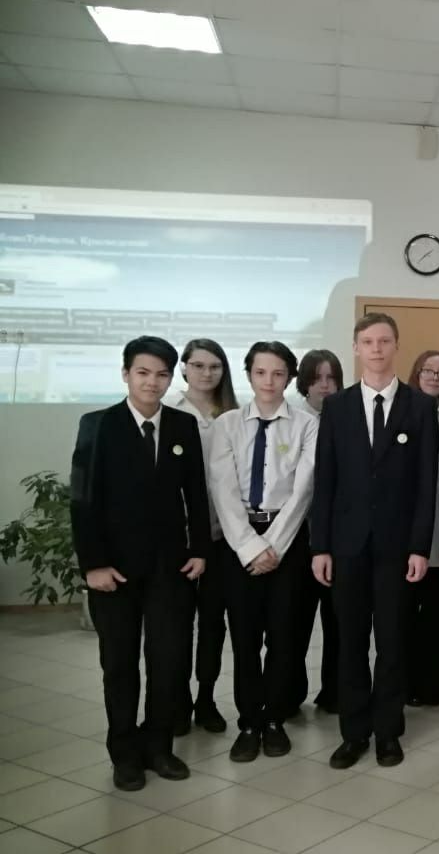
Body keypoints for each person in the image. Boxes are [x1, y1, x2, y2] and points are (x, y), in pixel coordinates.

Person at [70, 336, 210, 791]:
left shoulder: (183, 426)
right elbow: (83, 500)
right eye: (143, 373)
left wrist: (200, 550)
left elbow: (196, 493)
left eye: (162, 374)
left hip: (170, 568)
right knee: (120, 665)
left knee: (168, 662)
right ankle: (124, 754)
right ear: (126, 374)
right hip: (114, 570)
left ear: (172, 378)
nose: (152, 382)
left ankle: (159, 747)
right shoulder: (99, 425)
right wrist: (93, 564)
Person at [311, 313, 439, 769]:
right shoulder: (338, 407)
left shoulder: (419, 407)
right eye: (368, 342)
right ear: (356, 348)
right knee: (349, 643)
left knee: (392, 642)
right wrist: (321, 546)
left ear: (397, 346)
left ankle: (388, 731)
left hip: (397, 549)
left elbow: (426, 485)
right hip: (346, 546)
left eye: (385, 341)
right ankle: (353, 732)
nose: (377, 349)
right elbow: (325, 481)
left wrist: (420, 547)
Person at [210, 341, 318, 762]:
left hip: (287, 541)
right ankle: (248, 722)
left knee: (284, 636)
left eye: (277, 373)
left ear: (289, 377)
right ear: (249, 375)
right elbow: (223, 490)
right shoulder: (227, 425)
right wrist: (250, 546)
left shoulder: (306, 425)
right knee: (245, 637)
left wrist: (272, 546)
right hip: (239, 542)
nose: (269, 381)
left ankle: (274, 719)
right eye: (260, 372)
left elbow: (304, 490)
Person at [170, 339, 237, 736]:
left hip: (221, 535)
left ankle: (206, 699)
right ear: (184, 368)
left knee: (213, 623)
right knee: (177, 624)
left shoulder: (233, 413)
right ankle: (177, 700)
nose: (206, 373)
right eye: (198, 365)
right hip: (178, 537)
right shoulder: (169, 409)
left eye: (214, 366)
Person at [291, 349, 344, 713]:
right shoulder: (293, 420)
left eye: (331, 378)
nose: (324, 386)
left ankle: (334, 692)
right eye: (317, 378)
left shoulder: (346, 418)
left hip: (337, 538)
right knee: (296, 621)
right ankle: (291, 693)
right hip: (297, 535)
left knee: (338, 621)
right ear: (304, 382)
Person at [405, 348, 439, 707]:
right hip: (408, 533)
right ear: (416, 373)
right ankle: (405, 683)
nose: (435, 377)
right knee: (406, 614)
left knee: (437, 616)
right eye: (428, 370)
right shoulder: (403, 414)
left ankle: (431, 687)